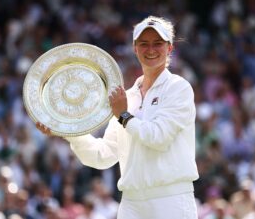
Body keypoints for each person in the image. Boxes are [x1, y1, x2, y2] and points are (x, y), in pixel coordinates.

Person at [37, 15, 199, 219]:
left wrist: (123, 115)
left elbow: (159, 138)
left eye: (158, 43)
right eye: (144, 44)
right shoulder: (127, 97)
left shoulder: (178, 88)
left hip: (170, 201)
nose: (151, 50)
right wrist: (67, 129)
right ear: (135, 48)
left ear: (169, 48)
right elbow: (102, 155)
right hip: (131, 203)